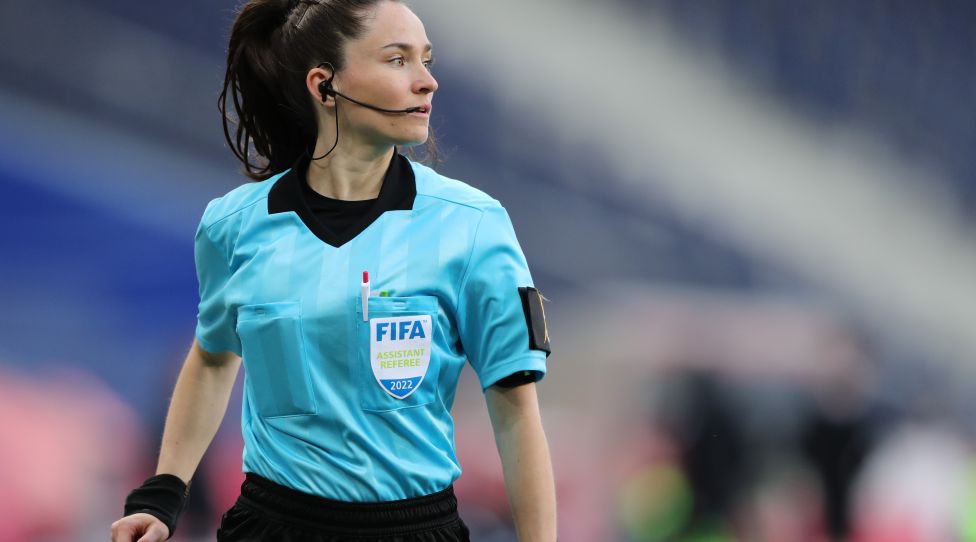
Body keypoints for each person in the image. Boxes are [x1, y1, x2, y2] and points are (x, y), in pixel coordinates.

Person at [110, 0, 557, 541]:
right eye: (398, 60)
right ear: (324, 87)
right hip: (270, 526)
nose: (427, 82)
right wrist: (164, 495)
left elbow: (515, 409)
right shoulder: (233, 226)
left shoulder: (473, 225)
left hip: (415, 528)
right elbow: (211, 359)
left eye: (428, 60)